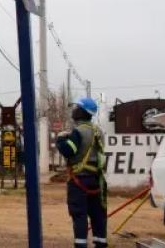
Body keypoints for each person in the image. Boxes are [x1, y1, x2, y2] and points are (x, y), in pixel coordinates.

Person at [55, 97, 107, 248]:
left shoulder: (78, 132)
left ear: (82, 112)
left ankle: (81, 245)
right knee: (98, 215)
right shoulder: (98, 131)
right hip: (97, 181)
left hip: (79, 181)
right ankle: (101, 243)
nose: (74, 110)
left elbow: (68, 150)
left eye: (77, 107)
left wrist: (60, 140)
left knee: (79, 215)